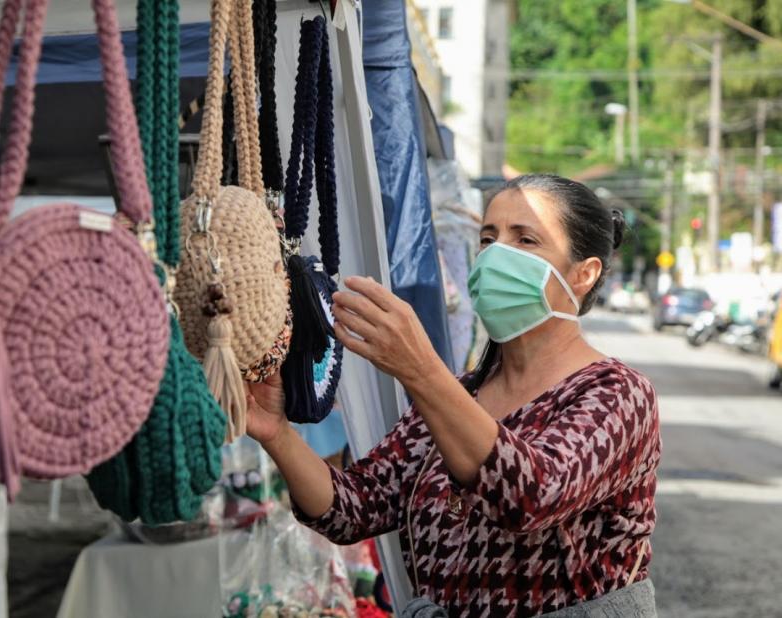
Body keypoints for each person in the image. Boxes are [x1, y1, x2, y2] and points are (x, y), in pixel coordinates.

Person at [247, 174, 661, 617]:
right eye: (488, 237)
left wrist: (421, 370)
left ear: (584, 274)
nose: (496, 254)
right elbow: (352, 507)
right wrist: (278, 434)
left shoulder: (618, 393)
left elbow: (531, 498)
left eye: (525, 240)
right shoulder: (462, 393)